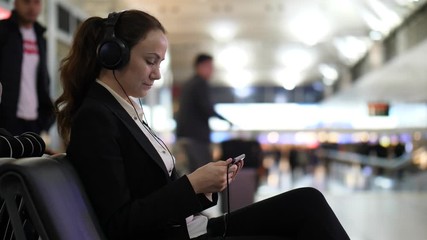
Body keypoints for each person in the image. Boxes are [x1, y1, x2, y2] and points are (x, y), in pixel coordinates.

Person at [54, 9, 350, 240]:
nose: (156, 74)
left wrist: (202, 185)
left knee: (307, 202)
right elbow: (120, 224)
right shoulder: (97, 117)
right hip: (179, 236)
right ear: (112, 55)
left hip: (192, 228)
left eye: (160, 63)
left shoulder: (126, 108)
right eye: (150, 60)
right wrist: (193, 184)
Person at [0, 0, 54, 136]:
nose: (32, 7)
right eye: (26, 2)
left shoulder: (40, 37)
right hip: (7, 120)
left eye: (36, 3)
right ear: (16, 3)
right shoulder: (3, 31)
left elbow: (43, 79)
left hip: (34, 121)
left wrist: (45, 120)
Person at [175, 53, 232, 172]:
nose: (212, 71)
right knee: (204, 173)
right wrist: (226, 120)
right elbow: (207, 108)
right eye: (210, 67)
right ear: (201, 66)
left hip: (186, 136)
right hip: (197, 137)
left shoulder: (188, 84)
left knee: (193, 172)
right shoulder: (200, 83)